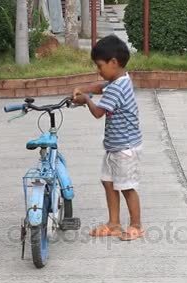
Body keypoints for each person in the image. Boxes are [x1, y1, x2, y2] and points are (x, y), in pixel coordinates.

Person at [72, 35, 144, 241]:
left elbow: (98, 112)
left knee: (127, 187)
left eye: (100, 66)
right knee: (108, 183)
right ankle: (113, 224)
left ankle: (136, 225)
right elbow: (98, 87)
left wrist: (85, 100)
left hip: (125, 148)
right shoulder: (119, 79)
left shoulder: (117, 87)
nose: (98, 70)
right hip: (114, 146)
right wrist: (84, 89)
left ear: (114, 63)